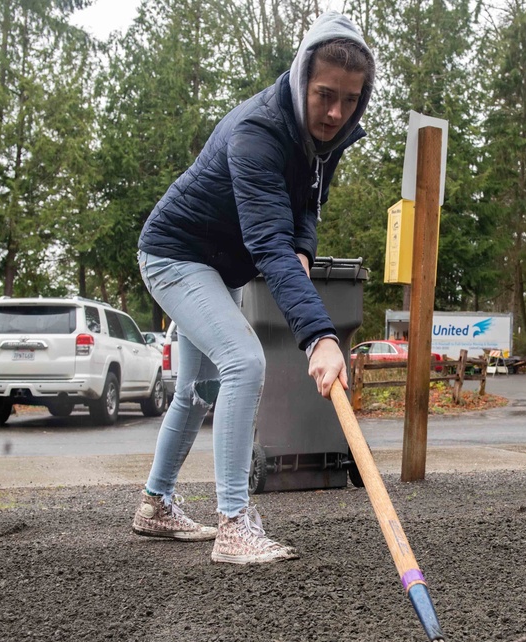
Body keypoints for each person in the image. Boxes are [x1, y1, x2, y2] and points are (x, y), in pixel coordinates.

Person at [131, 12, 375, 565]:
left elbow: (306, 208)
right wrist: (320, 337)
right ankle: (234, 524)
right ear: (300, 80)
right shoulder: (259, 132)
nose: (337, 112)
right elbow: (267, 242)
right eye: (325, 95)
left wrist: (305, 251)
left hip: (218, 267)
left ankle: (155, 504)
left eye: (350, 100)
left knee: (199, 390)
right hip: (176, 254)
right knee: (245, 361)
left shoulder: (324, 136)